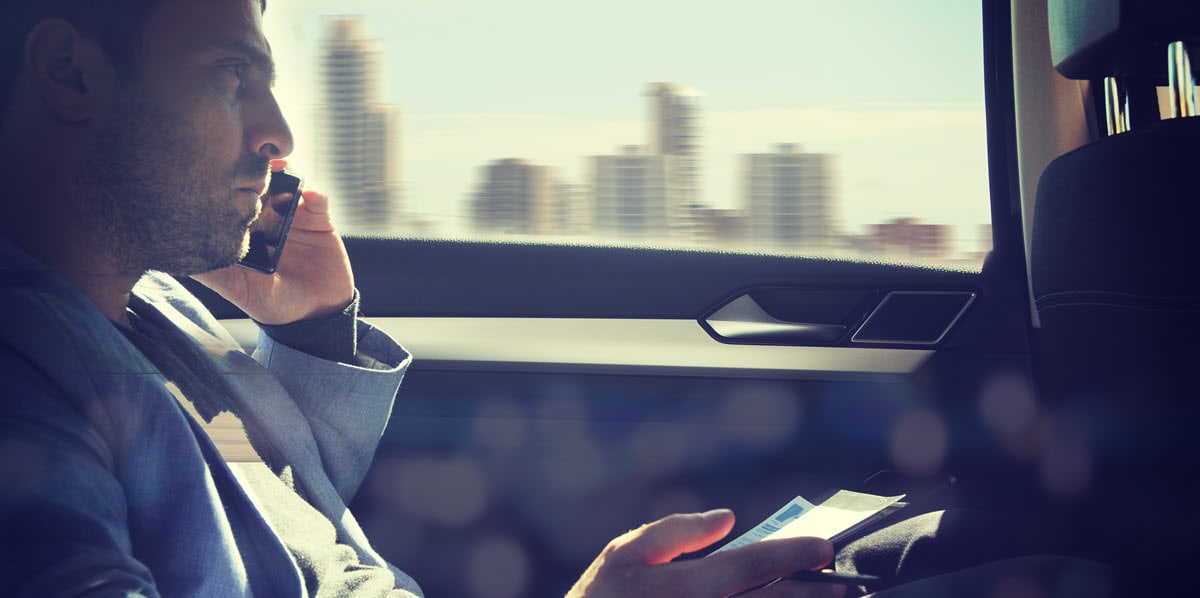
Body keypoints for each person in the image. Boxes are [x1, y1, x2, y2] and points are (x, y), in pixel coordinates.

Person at [0, 0, 844, 595]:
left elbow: (278, 511)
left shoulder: (151, 309)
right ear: (71, 75)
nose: (279, 135)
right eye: (232, 77)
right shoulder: (22, 390)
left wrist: (316, 329)